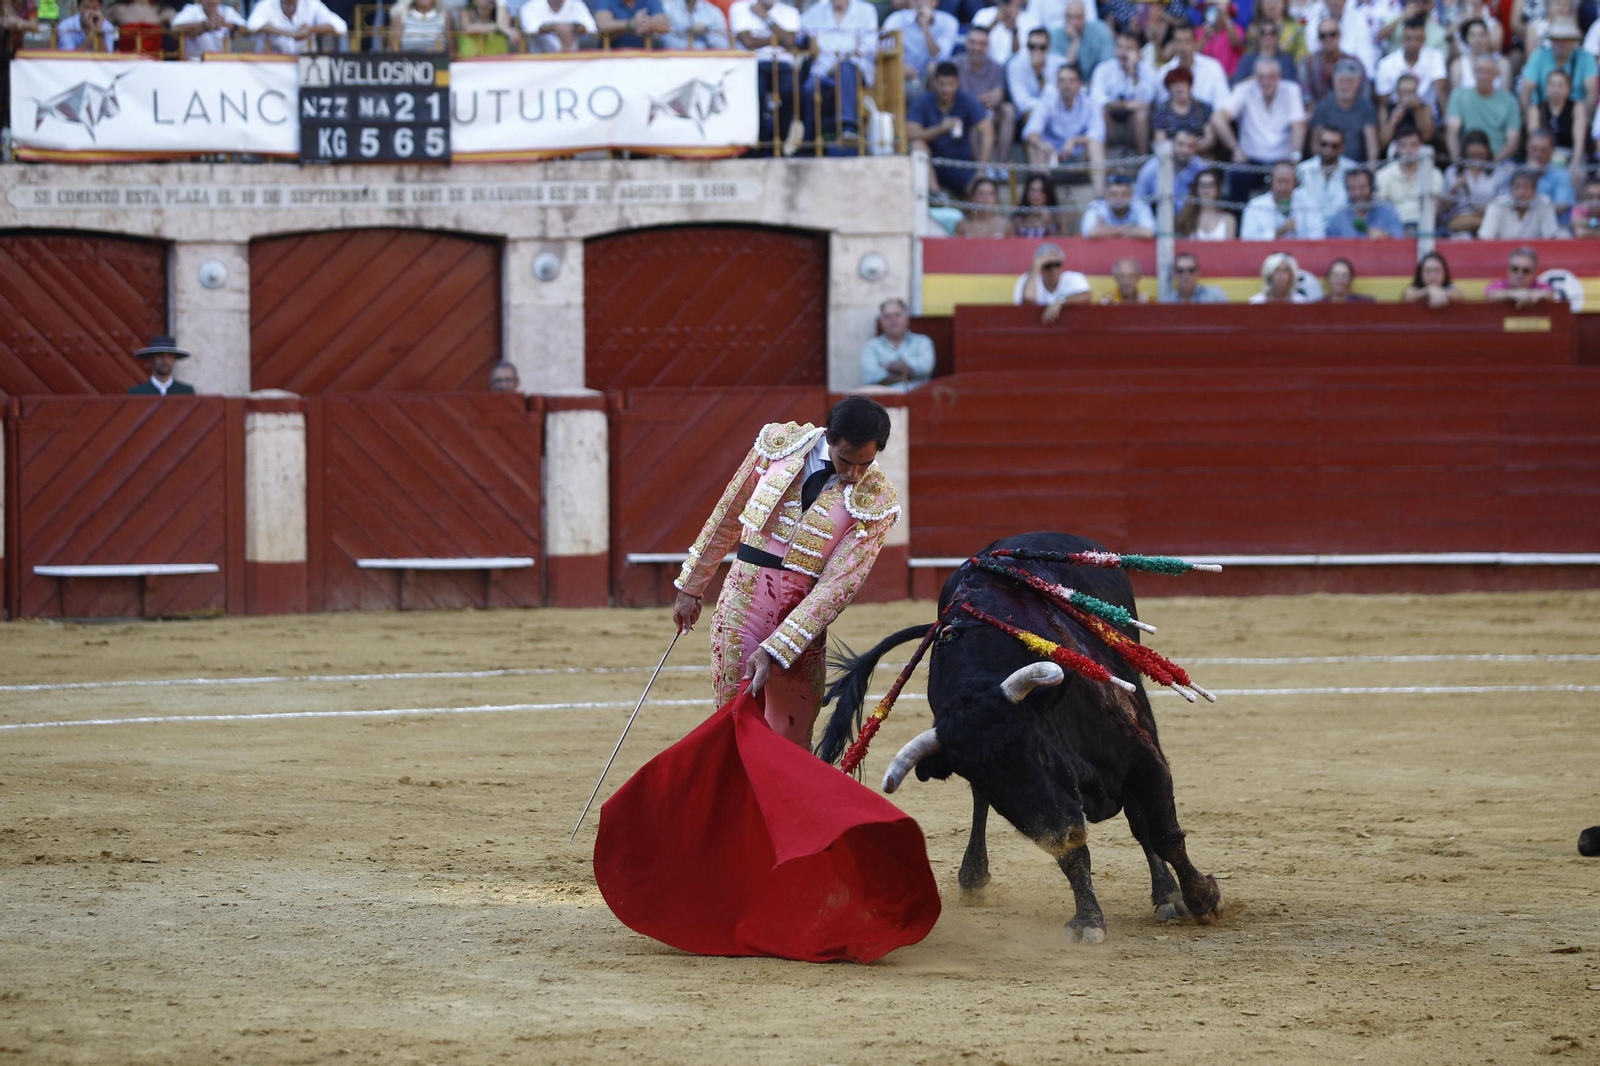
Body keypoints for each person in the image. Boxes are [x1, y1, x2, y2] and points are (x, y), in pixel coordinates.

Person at [670, 397, 901, 745]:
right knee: (732, 723)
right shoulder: (778, 446)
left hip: (802, 622)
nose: (853, 474)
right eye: (846, 461)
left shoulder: (878, 499)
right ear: (830, 438)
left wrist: (779, 647)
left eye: (865, 464)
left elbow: (838, 587)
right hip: (742, 604)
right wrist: (691, 586)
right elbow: (729, 514)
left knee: (792, 737)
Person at [1211, 63, 1308, 205]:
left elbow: (1298, 124)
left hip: (1282, 160)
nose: (1266, 81)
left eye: (1271, 77)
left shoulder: (1291, 90)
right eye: (1261, 77)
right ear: (1255, 77)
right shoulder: (1245, 89)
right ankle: (1237, 224)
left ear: (1279, 77)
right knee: (1237, 175)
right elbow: (1217, 118)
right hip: (1250, 161)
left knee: (1292, 178)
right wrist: (1235, 148)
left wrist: (1296, 155)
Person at [908, 62, 995, 198]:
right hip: (933, 164)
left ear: (957, 83)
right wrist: (940, 129)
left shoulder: (966, 100)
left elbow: (987, 131)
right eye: (942, 84)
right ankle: (936, 195)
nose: (946, 89)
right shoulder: (923, 102)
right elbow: (911, 134)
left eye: (950, 84)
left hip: (961, 164)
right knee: (917, 145)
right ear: (935, 83)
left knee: (979, 190)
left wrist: (982, 169)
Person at [1024, 64, 1108, 196]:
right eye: (1062, 80)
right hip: (1051, 155)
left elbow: (1098, 133)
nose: (1066, 85)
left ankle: (1100, 197)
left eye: (1071, 80)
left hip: (1079, 154)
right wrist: (1041, 143)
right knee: (1034, 146)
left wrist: (1074, 140)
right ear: (1057, 84)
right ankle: (1047, 200)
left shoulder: (1091, 103)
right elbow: (1030, 132)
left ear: (1079, 84)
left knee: (1095, 145)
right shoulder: (1046, 102)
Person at [732, 0, 802, 151]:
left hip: (782, 64)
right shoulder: (739, 8)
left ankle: (778, 142)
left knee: (792, 92)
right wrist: (778, 39)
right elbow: (748, 41)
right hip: (751, 63)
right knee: (755, 94)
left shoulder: (790, 12)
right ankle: (759, 143)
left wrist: (765, 18)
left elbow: (790, 41)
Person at [799, 0, 874, 140]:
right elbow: (800, 28)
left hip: (853, 68)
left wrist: (842, 59)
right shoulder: (816, 11)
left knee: (844, 68)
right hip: (822, 70)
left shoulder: (866, 10)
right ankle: (809, 140)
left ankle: (848, 128)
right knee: (809, 89)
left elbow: (869, 44)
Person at [1090, 28, 1160, 156]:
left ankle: (1141, 160)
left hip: (1135, 126)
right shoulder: (1103, 69)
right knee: (1100, 112)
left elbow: (1147, 101)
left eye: (1129, 48)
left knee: (1141, 114)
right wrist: (1125, 105)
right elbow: (1097, 99)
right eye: (1120, 47)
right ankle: (1101, 161)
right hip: (1111, 124)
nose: (1124, 53)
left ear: (1137, 50)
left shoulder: (1147, 71)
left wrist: (1133, 74)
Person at [954, 25, 1014, 165]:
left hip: (990, 113)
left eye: (982, 44)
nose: (977, 48)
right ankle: (982, 167)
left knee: (1008, 110)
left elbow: (999, 94)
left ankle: (1001, 165)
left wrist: (998, 97)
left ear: (987, 46)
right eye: (973, 43)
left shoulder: (996, 67)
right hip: (965, 116)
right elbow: (954, 99)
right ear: (966, 44)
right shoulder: (955, 65)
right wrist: (976, 101)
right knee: (976, 118)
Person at [1446, 53, 1523, 162]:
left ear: (1497, 75)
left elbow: (1513, 142)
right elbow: (1452, 132)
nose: (1483, 76)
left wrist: (1491, 164)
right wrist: (1458, 162)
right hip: (1467, 157)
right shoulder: (1458, 95)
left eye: (1488, 72)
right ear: (1473, 73)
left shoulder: (1510, 101)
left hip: (1499, 159)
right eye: (1480, 71)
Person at [1374, 123, 1443, 233]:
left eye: (1413, 145)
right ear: (1396, 148)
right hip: (1393, 229)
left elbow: (1434, 213)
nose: (1409, 150)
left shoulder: (1434, 174)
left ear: (1421, 146)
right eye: (1404, 145)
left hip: (1424, 228)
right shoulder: (1383, 175)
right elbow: (1382, 212)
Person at [1374, 17, 1447, 117]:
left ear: (1424, 40)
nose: (1413, 43)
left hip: (1428, 116)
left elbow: (1441, 91)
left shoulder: (1435, 56)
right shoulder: (1385, 64)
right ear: (1402, 40)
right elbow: (1383, 104)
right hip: (1398, 115)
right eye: (1408, 39)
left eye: (1418, 39)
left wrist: (1446, 123)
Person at [1311, 58, 1379, 163]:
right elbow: (1315, 143)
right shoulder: (1322, 107)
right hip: (1330, 165)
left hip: (1357, 167)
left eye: (1350, 81)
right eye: (1341, 80)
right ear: (1334, 82)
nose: (1346, 85)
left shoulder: (1366, 107)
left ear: (1358, 84)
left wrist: (1371, 168)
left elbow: (1371, 142)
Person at [1518, 20, 1595, 111]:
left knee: (1579, 109)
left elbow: (1592, 91)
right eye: (1556, 39)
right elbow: (1527, 89)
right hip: (1543, 113)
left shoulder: (1585, 57)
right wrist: (1530, 117)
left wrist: (1584, 119)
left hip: (1575, 114)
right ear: (1551, 41)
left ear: (1573, 41)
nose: (1560, 43)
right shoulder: (1539, 55)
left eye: (1565, 39)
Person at [883, 0, 958, 94]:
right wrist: (900, 66)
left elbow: (938, 55)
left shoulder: (949, 22)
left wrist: (925, 27)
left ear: (935, 2)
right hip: (905, 74)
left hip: (932, 77)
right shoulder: (896, 19)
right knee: (891, 68)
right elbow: (885, 49)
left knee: (933, 67)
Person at [860, 298, 936, 388]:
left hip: (917, 398)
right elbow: (870, 377)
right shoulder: (871, 347)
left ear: (907, 319)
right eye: (887, 316)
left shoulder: (923, 342)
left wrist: (888, 367)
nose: (893, 320)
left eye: (897, 315)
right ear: (881, 321)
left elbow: (926, 367)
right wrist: (908, 372)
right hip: (885, 399)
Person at [1442, 130, 1507, 233]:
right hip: (1460, 221)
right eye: (1472, 156)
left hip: (1489, 220)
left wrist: (1487, 207)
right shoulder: (1453, 172)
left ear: (1488, 152)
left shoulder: (1498, 172)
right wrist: (1454, 190)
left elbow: (1504, 203)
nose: (1477, 160)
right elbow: (1444, 212)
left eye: (1480, 156)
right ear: (1465, 153)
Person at [1242, 161, 1328, 238]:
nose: (1283, 187)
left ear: (1295, 183)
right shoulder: (1254, 206)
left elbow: (1318, 237)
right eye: (1279, 181)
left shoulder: (1308, 204)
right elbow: (1247, 240)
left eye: (1287, 182)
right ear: (1270, 182)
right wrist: (1278, 232)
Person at [1477, 168, 1567, 238]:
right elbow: (1485, 237)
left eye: (1526, 188)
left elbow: (1550, 237)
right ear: (1511, 188)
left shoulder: (1544, 204)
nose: (1521, 193)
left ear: (1534, 190)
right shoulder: (1497, 205)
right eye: (1517, 187)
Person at [1158, 21, 1229, 109]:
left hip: (1208, 121)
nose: (1183, 47)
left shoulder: (1213, 68)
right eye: (1179, 41)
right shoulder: (1164, 72)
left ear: (1194, 42)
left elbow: (1222, 104)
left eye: (1187, 41)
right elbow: (1163, 108)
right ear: (1173, 44)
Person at [1526, 68, 1586, 169]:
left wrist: (1575, 164)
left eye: (1560, 85)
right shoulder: (1536, 108)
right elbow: (1533, 141)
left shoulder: (1577, 107)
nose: (1556, 89)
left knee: (1578, 174)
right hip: (1542, 156)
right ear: (1546, 88)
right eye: (1552, 85)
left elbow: (1579, 143)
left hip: (1569, 155)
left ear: (1568, 89)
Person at [1297, 125, 1355, 223]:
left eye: (1334, 146)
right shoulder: (1303, 170)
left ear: (1342, 148)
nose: (1328, 149)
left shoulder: (1352, 170)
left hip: (1342, 227)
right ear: (1318, 145)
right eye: (1324, 144)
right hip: (1310, 226)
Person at [1007, 28, 1063, 128]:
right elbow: (1022, 102)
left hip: (1057, 112)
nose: (1036, 51)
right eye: (1032, 47)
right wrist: (1042, 108)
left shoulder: (1060, 64)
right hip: (1029, 114)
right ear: (1027, 46)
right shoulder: (1015, 65)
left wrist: (1039, 73)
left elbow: (1057, 98)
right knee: (1031, 114)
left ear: (1049, 47)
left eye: (1042, 47)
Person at [1300, 18, 1363, 104]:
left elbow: (1363, 96)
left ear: (1340, 35)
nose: (1328, 39)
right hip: (1318, 114)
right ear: (1318, 38)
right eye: (1323, 35)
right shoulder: (1307, 64)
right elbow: (1307, 98)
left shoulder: (1354, 63)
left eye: (1332, 34)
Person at [246, 0, 348, 53]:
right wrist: (290, 33)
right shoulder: (267, 4)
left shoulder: (311, 4)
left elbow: (341, 26)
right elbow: (252, 25)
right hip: (274, 65)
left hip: (304, 64)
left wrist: (310, 29)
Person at [1326, 167, 1405, 235]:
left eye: (1362, 187)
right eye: (1352, 188)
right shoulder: (1338, 219)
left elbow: (1399, 238)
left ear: (1372, 187)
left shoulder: (1388, 212)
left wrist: (1386, 236)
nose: (1357, 193)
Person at [1151, 67, 1215, 149]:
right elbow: (1160, 140)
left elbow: (1209, 140)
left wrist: (1190, 148)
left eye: (1182, 83)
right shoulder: (1162, 110)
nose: (1179, 88)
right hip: (1170, 157)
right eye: (1174, 84)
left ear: (1189, 85)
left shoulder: (1202, 108)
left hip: (1200, 154)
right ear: (1169, 88)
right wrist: (1182, 148)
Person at [1135, 128, 1204, 203]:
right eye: (1181, 144)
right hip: (1157, 213)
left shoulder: (1202, 168)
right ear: (1172, 143)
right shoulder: (1152, 167)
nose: (1185, 150)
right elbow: (1139, 199)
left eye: (1190, 146)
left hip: (1191, 213)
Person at [1014, 242, 1092, 306]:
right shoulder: (1027, 280)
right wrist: (1035, 267)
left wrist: (1060, 302)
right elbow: (1028, 301)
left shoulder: (1074, 278)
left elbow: (1086, 296)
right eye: (1047, 265)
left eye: (1057, 264)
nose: (1053, 270)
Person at [1053, 0, 1114, 82]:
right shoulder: (1055, 35)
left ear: (1085, 17)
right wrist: (1075, 41)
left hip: (1095, 84)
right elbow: (1062, 73)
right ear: (1064, 17)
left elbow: (1107, 65)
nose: (1074, 22)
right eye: (1070, 17)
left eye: (1078, 17)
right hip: (1067, 89)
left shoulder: (1100, 30)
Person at [1081, 173, 1157, 238]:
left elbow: (1149, 232)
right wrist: (1132, 229)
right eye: (1113, 194)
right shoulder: (1097, 206)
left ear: (1131, 195)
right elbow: (1090, 232)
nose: (1119, 198)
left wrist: (1105, 230)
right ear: (1105, 195)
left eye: (1124, 194)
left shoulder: (1139, 205)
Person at [1523, 129, 1575, 219]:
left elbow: (1561, 207)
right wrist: (1530, 174)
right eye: (1534, 149)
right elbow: (1510, 204)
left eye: (1543, 150)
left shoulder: (1561, 175)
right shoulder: (1517, 172)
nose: (1538, 154)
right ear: (1527, 148)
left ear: (1552, 152)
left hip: (1556, 227)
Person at [970, 0, 1039, 67]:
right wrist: (994, 22)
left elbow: (1019, 56)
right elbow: (974, 43)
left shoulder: (1032, 22)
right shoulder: (982, 14)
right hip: (986, 68)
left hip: (1016, 70)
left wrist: (1014, 28)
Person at [1175, 166, 1238, 239]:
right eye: (1202, 186)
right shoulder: (1185, 218)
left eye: (1210, 185)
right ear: (1196, 189)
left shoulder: (1228, 220)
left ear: (1217, 189)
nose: (1206, 190)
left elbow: (1231, 249)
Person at [1378, 73, 1435, 153]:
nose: (1408, 96)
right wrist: (1393, 121)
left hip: (1418, 150)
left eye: (1411, 92)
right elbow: (1382, 143)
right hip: (1395, 151)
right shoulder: (1386, 110)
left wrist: (1417, 111)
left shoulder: (1425, 108)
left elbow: (1428, 136)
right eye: (1404, 92)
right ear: (1397, 93)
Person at [1451, 17, 1508, 94]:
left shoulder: (1502, 64)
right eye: (1473, 36)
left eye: (1482, 35)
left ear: (1488, 37)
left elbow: (1506, 97)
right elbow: (1456, 99)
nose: (1478, 40)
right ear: (1466, 39)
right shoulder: (1458, 65)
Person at [1231, 20, 1297, 85]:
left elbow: (1292, 86)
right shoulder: (1247, 60)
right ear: (1258, 37)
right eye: (1263, 33)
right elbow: (1237, 85)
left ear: (1277, 37)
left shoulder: (1287, 60)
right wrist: (1257, 79)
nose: (1268, 36)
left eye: (1272, 33)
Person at [171, 0, 247, 56]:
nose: (212, 1)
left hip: (223, 62)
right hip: (195, 62)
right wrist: (204, 25)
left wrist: (227, 25)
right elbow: (174, 29)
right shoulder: (191, 10)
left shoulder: (227, 11)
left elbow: (247, 30)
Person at [1484, 247, 1555, 306]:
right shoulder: (1498, 285)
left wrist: (1539, 295)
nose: (1519, 275)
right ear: (1508, 269)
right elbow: (1490, 295)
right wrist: (1514, 294)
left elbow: (1550, 295)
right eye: (1515, 269)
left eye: (1526, 270)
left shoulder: (1540, 286)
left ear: (1534, 273)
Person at [128, 336, 196, 396]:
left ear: (173, 359)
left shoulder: (186, 392)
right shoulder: (137, 393)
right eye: (159, 355)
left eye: (169, 355)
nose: (165, 360)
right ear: (152, 359)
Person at [519, 0, 596, 50]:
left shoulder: (576, 4)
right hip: (540, 62)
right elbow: (530, 29)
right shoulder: (531, 6)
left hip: (573, 62)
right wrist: (554, 27)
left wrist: (572, 27)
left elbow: (591, 28)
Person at [451, 0, 520, 55]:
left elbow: (506, 26)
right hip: (470, 61)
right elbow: (467, 27)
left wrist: (500, 4)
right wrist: (498, 27)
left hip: (498, 61)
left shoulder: (501, 9)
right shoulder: (466, 11)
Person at [1198, 0, 1245, 77]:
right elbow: (1195, 54)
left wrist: (1226, 19)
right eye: (1208, 8)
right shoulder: (1200, 31)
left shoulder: (1236, 29)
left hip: (1229, 78)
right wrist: (1204, 37)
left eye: (1217, 9)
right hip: (1205, 77)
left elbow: (1236, 43)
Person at [592, 0, 668, 46]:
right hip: (612, 58)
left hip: (643, 57)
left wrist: (645, 22)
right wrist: (631, 24)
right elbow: (602, 25)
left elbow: (665, 25)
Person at [1164, 251, 1230, 302]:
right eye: (1180, 271)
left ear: (1197, 272)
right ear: (1175, 273)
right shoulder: (1168, 301)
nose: (1186, 276)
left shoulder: (1215, 296)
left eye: (1191, 270)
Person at [1013, 172, 1064, 237]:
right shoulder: (1019, 218)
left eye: (1041, 191)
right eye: (1033, 190)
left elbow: (1062, 243)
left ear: (1048, 193)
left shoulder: (1058, 217)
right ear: (1027, 192)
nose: (1036, 195)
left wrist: (1049, 224)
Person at [662, 0, 729, 48]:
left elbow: (724, 44)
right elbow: (665, 39)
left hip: (709, 62)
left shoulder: (713, 11)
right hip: (677, 60)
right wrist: (687, 31)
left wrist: (706, 31)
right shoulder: (669, 8)